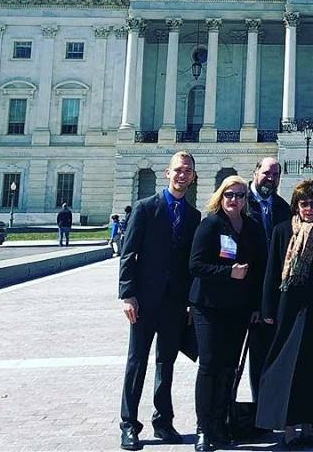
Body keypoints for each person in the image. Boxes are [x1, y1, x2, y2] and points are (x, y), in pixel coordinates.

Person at [119, 151, 201, 451]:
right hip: (143, 300)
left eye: (188, 171)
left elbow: (192, 263)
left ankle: (163, 421)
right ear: (168, 173)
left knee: (166, 364)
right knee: (136, 363)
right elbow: (129, 253)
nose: (183, 175)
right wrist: (127, 294)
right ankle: (129, 424)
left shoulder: (193, 216)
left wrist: (191, 303)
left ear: (193, 176)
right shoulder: (145, 208)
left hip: (175, 303)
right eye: (178, 170)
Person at [257, 179, 313, 448]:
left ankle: (310, 423)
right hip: (287, 307)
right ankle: (289, 426)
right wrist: (267, 309)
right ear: (296, 205)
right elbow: (272, 272)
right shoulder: (283, 230)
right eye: (304, 203)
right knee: (287, 367)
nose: (309, 209)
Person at [189, 176, 266, 452]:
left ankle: (220, 424)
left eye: (241, 195)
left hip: (238, 309)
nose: (235, 200)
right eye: (230, 195)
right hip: (208, 306)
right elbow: (195, 265)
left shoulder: (253, 228)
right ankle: (204, 429)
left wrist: (258, 306)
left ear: (247, 199)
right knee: (209, 365)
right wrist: (228, 272)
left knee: (229, 368)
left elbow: (260, 271)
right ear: (221, 196)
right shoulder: (210, 224)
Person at [246, 157, 291, 410]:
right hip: (240, 295)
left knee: (268, 356)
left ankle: (265, 411)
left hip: (272, 298)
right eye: (266, 173)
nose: (271, 179)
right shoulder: (237, 202)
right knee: (230, 362)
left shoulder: (283, 208)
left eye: (275, 174)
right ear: (255, 173)